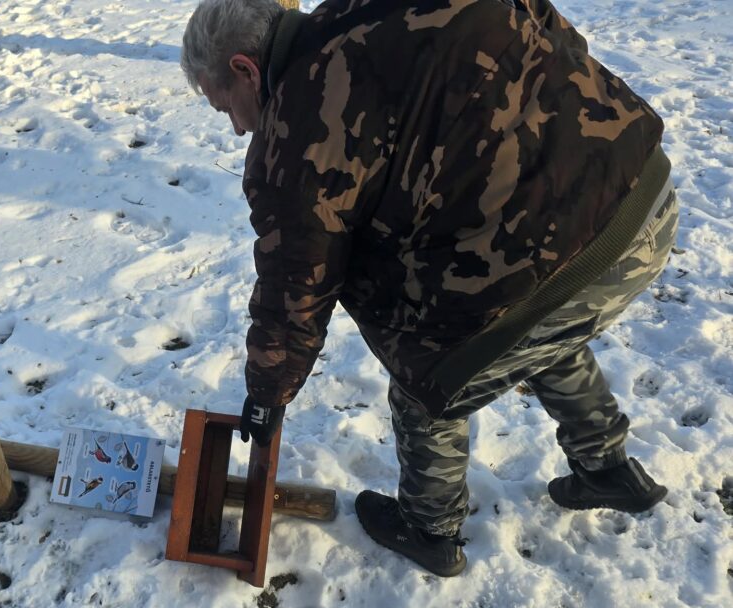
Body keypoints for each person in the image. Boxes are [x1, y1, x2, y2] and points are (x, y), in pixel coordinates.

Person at [180, 0, 678, 577]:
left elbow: (296, 289)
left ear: (244, 69)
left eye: (226, 108)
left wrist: (268, 394)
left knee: (429, 377)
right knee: (534, 324)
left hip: (568, 245)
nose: (238, 127)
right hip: (642, 196)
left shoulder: (293, 134)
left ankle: (429, 529)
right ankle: (607, 467)